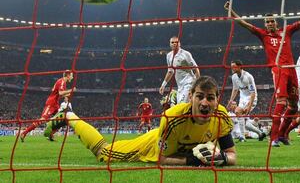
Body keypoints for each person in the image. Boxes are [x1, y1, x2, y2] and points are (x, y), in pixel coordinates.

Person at [44, 76, 236, 166]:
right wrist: (193, 161)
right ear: (191, 96)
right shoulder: (173, 118)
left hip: (172, 144)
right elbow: (162, 159)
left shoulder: (222, 117)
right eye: (199, 96)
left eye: (210, 98)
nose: (205, 102)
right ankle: (69, 117)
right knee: (103, 153)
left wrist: (223, 159)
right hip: (151, 146)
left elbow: (232, 155)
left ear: (217, 100)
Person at [224, 0, 300, 147]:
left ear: (276, 22)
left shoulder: (286, 31)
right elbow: (244, 24)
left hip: (291, 69)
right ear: (265, 24)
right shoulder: (263, 34)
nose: (270, 23)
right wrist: (231, 11)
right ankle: (273, 138)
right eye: (267, 22)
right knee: (280, 102)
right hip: (278, 70)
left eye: (272, 21)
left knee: (293, 106)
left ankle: (282, 135)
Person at [20, 70, 75, 142]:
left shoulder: (62, 82)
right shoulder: (62, 81)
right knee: (43, 119)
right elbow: (61, 93)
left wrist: (68, 94)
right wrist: (71, 90)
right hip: (51, 103)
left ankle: (51, 135)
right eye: (71, 75)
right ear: (68, 75)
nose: (72, 77)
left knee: (61, 120)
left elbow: (59, 95)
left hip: (55, 104)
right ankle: (24, 133)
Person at [227, 60, 262, 141]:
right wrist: (230, 101)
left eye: (234, 66)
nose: (232, 68)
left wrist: (249, 106)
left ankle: (242, 137)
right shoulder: (234, 77)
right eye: (231, 67)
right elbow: (235, 89)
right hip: (242, 98)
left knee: (237, 111)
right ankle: (260, 133)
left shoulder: (248, 76)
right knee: (244, 121)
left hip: (251, 97)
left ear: (240, 67)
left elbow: (253, 93)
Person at [159, 36, 200, 104]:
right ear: (170, 44)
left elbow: (196, 69)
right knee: (182, 107)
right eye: (172, 42)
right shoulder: (169, 56)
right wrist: (163, 85)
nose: (174, 43)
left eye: (176, 42)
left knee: (182, 105)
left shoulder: (186, 54)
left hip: (189, 83)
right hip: (180, 86)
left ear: (179, 44)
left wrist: (196, 85)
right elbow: (170, 71)